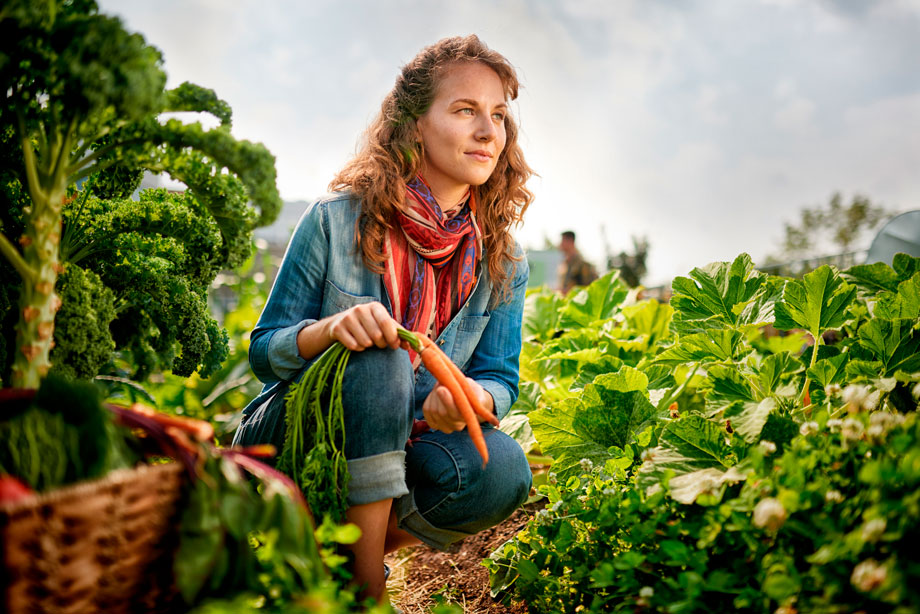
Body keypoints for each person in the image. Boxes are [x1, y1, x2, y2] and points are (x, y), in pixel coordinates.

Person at [231, 35, 534, 605]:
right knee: (380, 355)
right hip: (298, 440)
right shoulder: (335, 221)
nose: (489, 131)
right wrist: (331, 331)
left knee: (503, 471)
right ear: (415, 123)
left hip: (405, 446)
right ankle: (364, 592)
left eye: (498, 115)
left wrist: (473, 398)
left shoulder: (503, 260)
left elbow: (501, 378)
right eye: (465, 110)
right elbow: (263, 350)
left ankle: (341, 551)